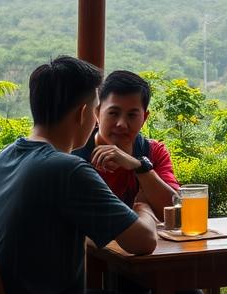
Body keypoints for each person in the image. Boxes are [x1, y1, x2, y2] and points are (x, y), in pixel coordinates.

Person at [0, 57, 203, 294]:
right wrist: (142, 208)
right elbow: (143, 241)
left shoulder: (6, 156)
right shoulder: (66, 167)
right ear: (87, 113)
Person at [72, 70, 180, 212]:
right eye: (113, 113)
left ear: (144, 118)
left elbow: (177, 210)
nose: (122, 124)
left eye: (132, 115)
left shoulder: (154, 152)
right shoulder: (72, 155)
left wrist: (139, 166)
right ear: (97, 112)